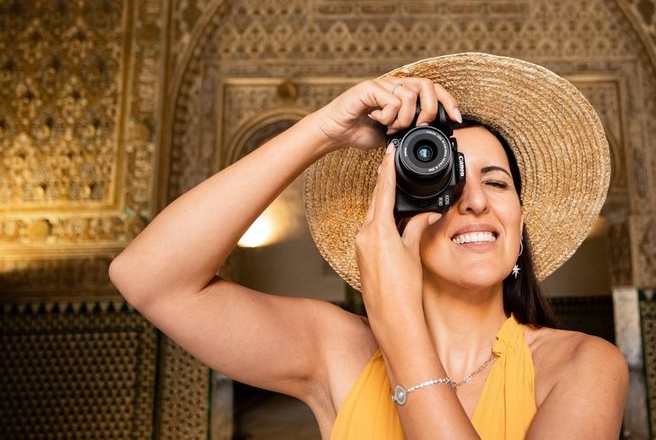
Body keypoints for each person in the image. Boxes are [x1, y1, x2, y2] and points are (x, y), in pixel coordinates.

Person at [110, 53, 629, 439]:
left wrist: (400, 324)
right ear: (401, 218)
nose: (474, 202)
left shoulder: (585, 365)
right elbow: (148, 279)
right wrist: (321, 131)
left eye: (497, 183)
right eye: (447, 184)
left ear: (519, 227)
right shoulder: (335, 350)